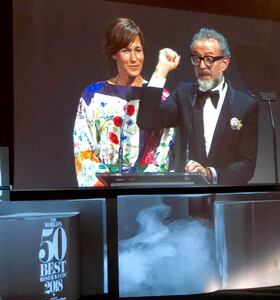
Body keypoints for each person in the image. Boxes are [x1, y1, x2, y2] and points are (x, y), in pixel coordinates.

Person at [138, 28, 258, 184]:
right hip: (187, 196)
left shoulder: (245, 105)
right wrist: (161, 71)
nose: (202, 66)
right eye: (196, 58)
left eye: (209, 59)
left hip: (225, 197)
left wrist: (209, 173)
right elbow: (147, 120)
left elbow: (246, 164)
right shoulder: (183, 94)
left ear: (224, 63)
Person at [73, 18, 175, 187]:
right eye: (126, 50)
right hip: (104, 189)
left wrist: (140, 185)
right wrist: (107, 184)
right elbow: (83, 146)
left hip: (145, 191)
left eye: (138, 50)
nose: (134, 58)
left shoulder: (161, 97)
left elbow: (164, 148)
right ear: (114, 54)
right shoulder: (93, 95)